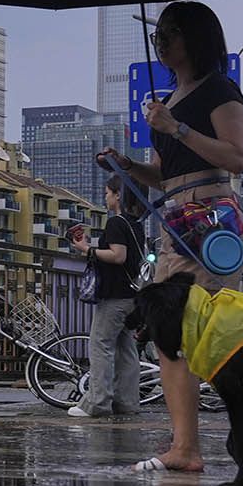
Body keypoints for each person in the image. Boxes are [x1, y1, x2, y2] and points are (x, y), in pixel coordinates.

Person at [92, 1, 243, 474]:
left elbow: (237, 159)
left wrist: (177, 128)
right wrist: (128, 166)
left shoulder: (219, 90)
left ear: (196, 37)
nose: (162, 41)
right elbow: (168, 173)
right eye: (159, 35)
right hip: (175, 221)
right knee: (172, 337)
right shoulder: (167, 99)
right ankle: (186, 447)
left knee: (211, 333)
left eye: (171, 32)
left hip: (210, 220)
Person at [67, 176, 142, 418]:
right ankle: (127, 403)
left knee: (100, 346)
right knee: (126, 350)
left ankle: (97, 404)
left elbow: (118, 255)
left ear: (118, 195)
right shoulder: (135, 224)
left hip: (115, 296)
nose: (106, 197)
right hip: (132, 295)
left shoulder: (115, 224)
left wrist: (86, 249)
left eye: (108, 192)